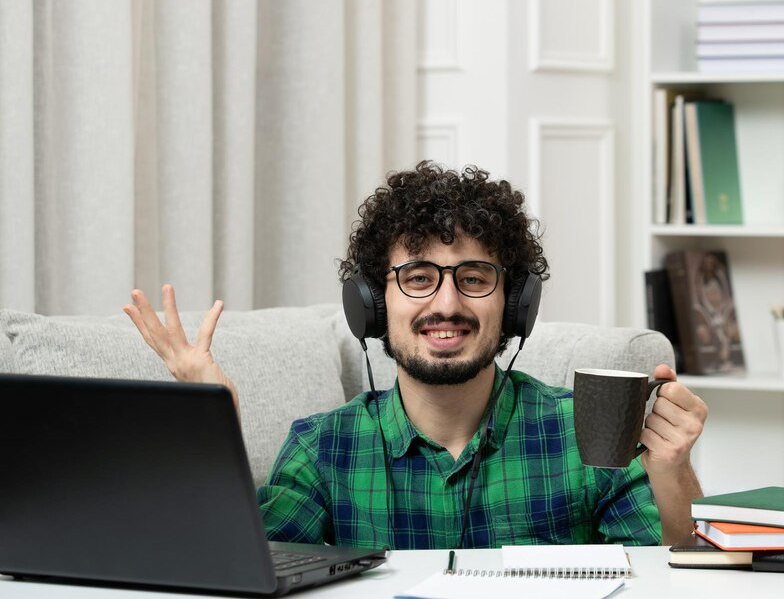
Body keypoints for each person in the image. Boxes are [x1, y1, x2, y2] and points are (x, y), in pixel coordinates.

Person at [123, 161, 708, 550]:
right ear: (372, 303)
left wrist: (672, 470)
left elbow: (682, 575)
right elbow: (245, 572)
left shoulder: (587, 434)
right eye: (418, 277)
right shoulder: (322, 448)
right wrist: (209, 440)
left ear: (516, 303)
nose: (446, 303)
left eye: (475, 277)